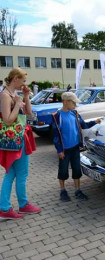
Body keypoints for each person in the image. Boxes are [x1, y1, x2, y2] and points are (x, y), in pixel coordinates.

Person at [0, 68, 41, 220]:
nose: (24, 83)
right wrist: (17, 104)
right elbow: (7, 120)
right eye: (23, 80)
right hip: (15, 140)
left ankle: (6, 207)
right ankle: (21, 205)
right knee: (20, 174)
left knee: (11, 174)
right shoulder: (5, 95)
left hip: (19, 139)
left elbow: (28, 114)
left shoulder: (14, 94)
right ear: (15, 78)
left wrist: (25, 97)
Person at [52, 92, 102, 201]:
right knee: (63, 170)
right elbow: (56, 136)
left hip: (75, 148)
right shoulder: (57, 116)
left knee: (76, 169)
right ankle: (63, 191)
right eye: (73, 102)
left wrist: (95, 122)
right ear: (65, 102)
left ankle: (78, 190)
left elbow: (83, 125)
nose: (75, 104)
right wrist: (59, 150)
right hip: (64, 150)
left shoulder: (74, 113)